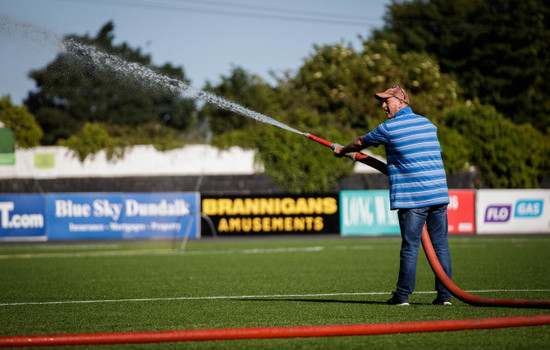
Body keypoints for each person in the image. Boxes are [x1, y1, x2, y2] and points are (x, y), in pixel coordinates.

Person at [333, 85, 452, 306]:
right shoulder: (428, 124)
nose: (383, 105)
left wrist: (342, 150)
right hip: (439, 193)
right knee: (440, 245)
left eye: (387, 100)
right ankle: (445, 296)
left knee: (410, 246)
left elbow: (360, 142)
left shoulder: (389, 128)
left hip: (413, 196)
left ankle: (402, 296)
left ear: (401, 101)